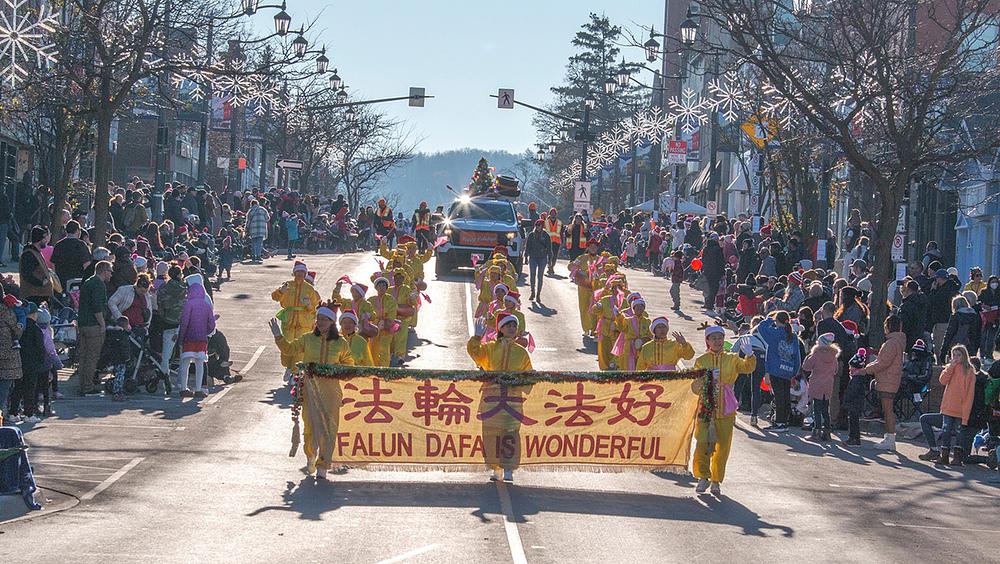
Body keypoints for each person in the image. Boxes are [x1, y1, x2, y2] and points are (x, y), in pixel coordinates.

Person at [270, 304, 354, 480]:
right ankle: (310, 455)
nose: (321, 322)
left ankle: (323, 465)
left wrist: (335, 369)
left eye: (325, 319)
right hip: (309, 390)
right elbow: (289, 349)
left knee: (329, 428)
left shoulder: (341, 343)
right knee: (310, 427)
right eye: (319, 319)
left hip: (331, 393)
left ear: (332, 322)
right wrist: (278, 336)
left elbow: (349, 365)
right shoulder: (308, 339)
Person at [467, 313, 532, 483]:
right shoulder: (489, 348)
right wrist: (476, 338)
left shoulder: (521, 352)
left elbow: (529, 375)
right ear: (500, 328)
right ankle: (495, 469)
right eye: (508, 325)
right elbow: (475, 353)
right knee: (491, 434)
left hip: (512, 401)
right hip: (492, 400)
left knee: (510, 433)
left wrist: (518, 382)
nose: (512, 328)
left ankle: (508, 468)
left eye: (514, 325)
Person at [692, 325, 756, 496]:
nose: (718, 341)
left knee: (722, 447)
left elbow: (747, 368)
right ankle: (703, 476)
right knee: (703, 443)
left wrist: (750, 355)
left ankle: (715, 480)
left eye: (720, 338)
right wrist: (707, 379)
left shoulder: (732, 358)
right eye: (713, 338)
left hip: (726, 408)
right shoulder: (701, 360)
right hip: (706, 407)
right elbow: (694, 386)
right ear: (707, 341)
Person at [851, 315, 906, 451]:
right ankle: (888, 437)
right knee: (887, 410)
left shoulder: (891, 343)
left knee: (887, 410)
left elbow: (883, 363)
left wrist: (865, 370)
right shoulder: (897, 342)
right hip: (890, 378)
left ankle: (890, 439)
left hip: (888, 379)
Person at [917, 345, 977, 465]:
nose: (955, 357)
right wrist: (951, 367)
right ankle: (943, 455)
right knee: (946, 431)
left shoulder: (969, 371)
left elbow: (969, 395)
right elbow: (942, 380)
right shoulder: (950, 368)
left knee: (959, 432)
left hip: (960, 408)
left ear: (964, 356)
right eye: (953, 355)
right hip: (948, 408)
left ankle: (957, 457)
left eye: (959, 355)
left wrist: (965, 414)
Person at [271, 261, 321, 380]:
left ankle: (295, 372)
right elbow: (275, 297)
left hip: (304, 322)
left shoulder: (309, 288)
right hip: (288, 321)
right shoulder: (287, 285)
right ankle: (288, 367)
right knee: (286, 345)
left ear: (305, 274)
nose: (300, 274)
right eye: (297, 272)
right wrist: (281, 291)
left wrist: (309, 305)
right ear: (294, 273)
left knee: (300, 348)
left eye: (302, 272)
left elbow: (316, 307)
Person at [754, 311, 802, 432]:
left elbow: (761, 328)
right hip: (788, 370)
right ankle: (784, 421)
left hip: (776, 369)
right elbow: (797, 355)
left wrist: (770, 319)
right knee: (785, 396)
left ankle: (779, 422)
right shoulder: (793, 336)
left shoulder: (774, 333)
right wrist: (795, 371)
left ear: (777, 321)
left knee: (779, 396)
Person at [176, 275, 216, 399]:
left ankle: (184, 388)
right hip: (202, 339)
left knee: (185, 363)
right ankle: (199, 389)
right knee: (200, 363)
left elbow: (184, 323)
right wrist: (206, 332)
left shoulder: (189, 304)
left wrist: (181, 338)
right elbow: (211, 324)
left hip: (189, 338)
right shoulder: (206, 304)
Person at [77, 261, 112, 396]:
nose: (111, 274)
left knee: (83, 357)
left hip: (83, 324)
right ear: (103, 270)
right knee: (92, 357)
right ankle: (88, 387)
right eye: (110, 271)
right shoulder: (99, 285)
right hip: (93, 325)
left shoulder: (88, 282)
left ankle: (82, 385)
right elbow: (97, 307)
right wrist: (102, 324)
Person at [801, 332, 840, 441]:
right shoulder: (834, 356)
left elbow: (806, 367)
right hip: (828, 384)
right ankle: (827, 432)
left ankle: (816, 432)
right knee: (825, 409)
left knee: (816, 410)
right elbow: (836, 370)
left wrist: (810, 355)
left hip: (817, 383)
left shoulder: (816, 354)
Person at [50, 220, 91, 289]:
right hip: (77, 282)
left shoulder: (58, 245)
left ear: (66, 231)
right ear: (78, 230)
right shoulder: (81, 245)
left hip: (61, 282)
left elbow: (53, 264)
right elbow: (86, 265)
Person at [18, 225, 52, 306]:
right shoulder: (29, 254)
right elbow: (27, 274)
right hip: (33, 296)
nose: (46, 240)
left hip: (40, 295)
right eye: (44, 238)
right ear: (40, 239)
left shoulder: (36, 252)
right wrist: (41, 282)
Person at [941, 295, 981, 362]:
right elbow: (978, 334)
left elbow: (949, 333)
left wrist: (943, 351)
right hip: (970, 345)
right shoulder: (975, 316)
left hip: (956, 345)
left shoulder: (956, 316)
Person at [524, 219, 551, 302]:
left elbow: (549, 248)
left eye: (539, 225)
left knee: (540, 276)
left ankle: (538, 294)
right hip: (533, 257)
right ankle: (532, 292)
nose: (538, 227)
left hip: (542, 258)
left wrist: (550, 259)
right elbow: (527, 247)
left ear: (542, 226)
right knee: (532, 275)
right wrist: (526, 256)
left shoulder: (546, 235)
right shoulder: (531, 235)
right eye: (536, 225)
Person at [543, 209, 562, 275]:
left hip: (557, 242)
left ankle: (552, 266)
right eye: (552, 213)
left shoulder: (559, 222)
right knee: (549, 255)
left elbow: (561, 233)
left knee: (555, 256)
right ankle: (549, 267)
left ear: (556, 214)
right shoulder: (546, 222)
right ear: (550, 214)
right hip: (548, 242)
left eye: (554, 213)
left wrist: (562, 242)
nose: (553, 214)